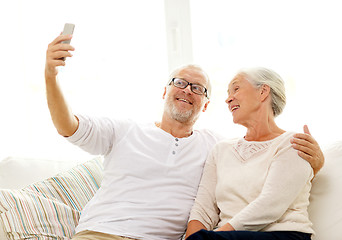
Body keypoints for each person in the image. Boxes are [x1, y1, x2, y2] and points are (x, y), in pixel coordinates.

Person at [45, 34, 324, 240]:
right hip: (102, 233)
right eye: (180, 82)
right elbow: (66, 125)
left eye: (198, 89)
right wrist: (50, 76)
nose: (188, 90)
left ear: (205, 105)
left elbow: (265, 159)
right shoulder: (125, 130)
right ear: (164, 91)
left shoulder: (214, 144)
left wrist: (316, 163)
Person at [185, 67, 317, 240]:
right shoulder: (220, 149)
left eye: (236, 89)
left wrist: (211, 238)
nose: (228, 99)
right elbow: (203, 209)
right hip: (227, 237)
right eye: (228, 93)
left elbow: (270, 206)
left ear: (263, 92)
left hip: (283, 235)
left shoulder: (293, 143)